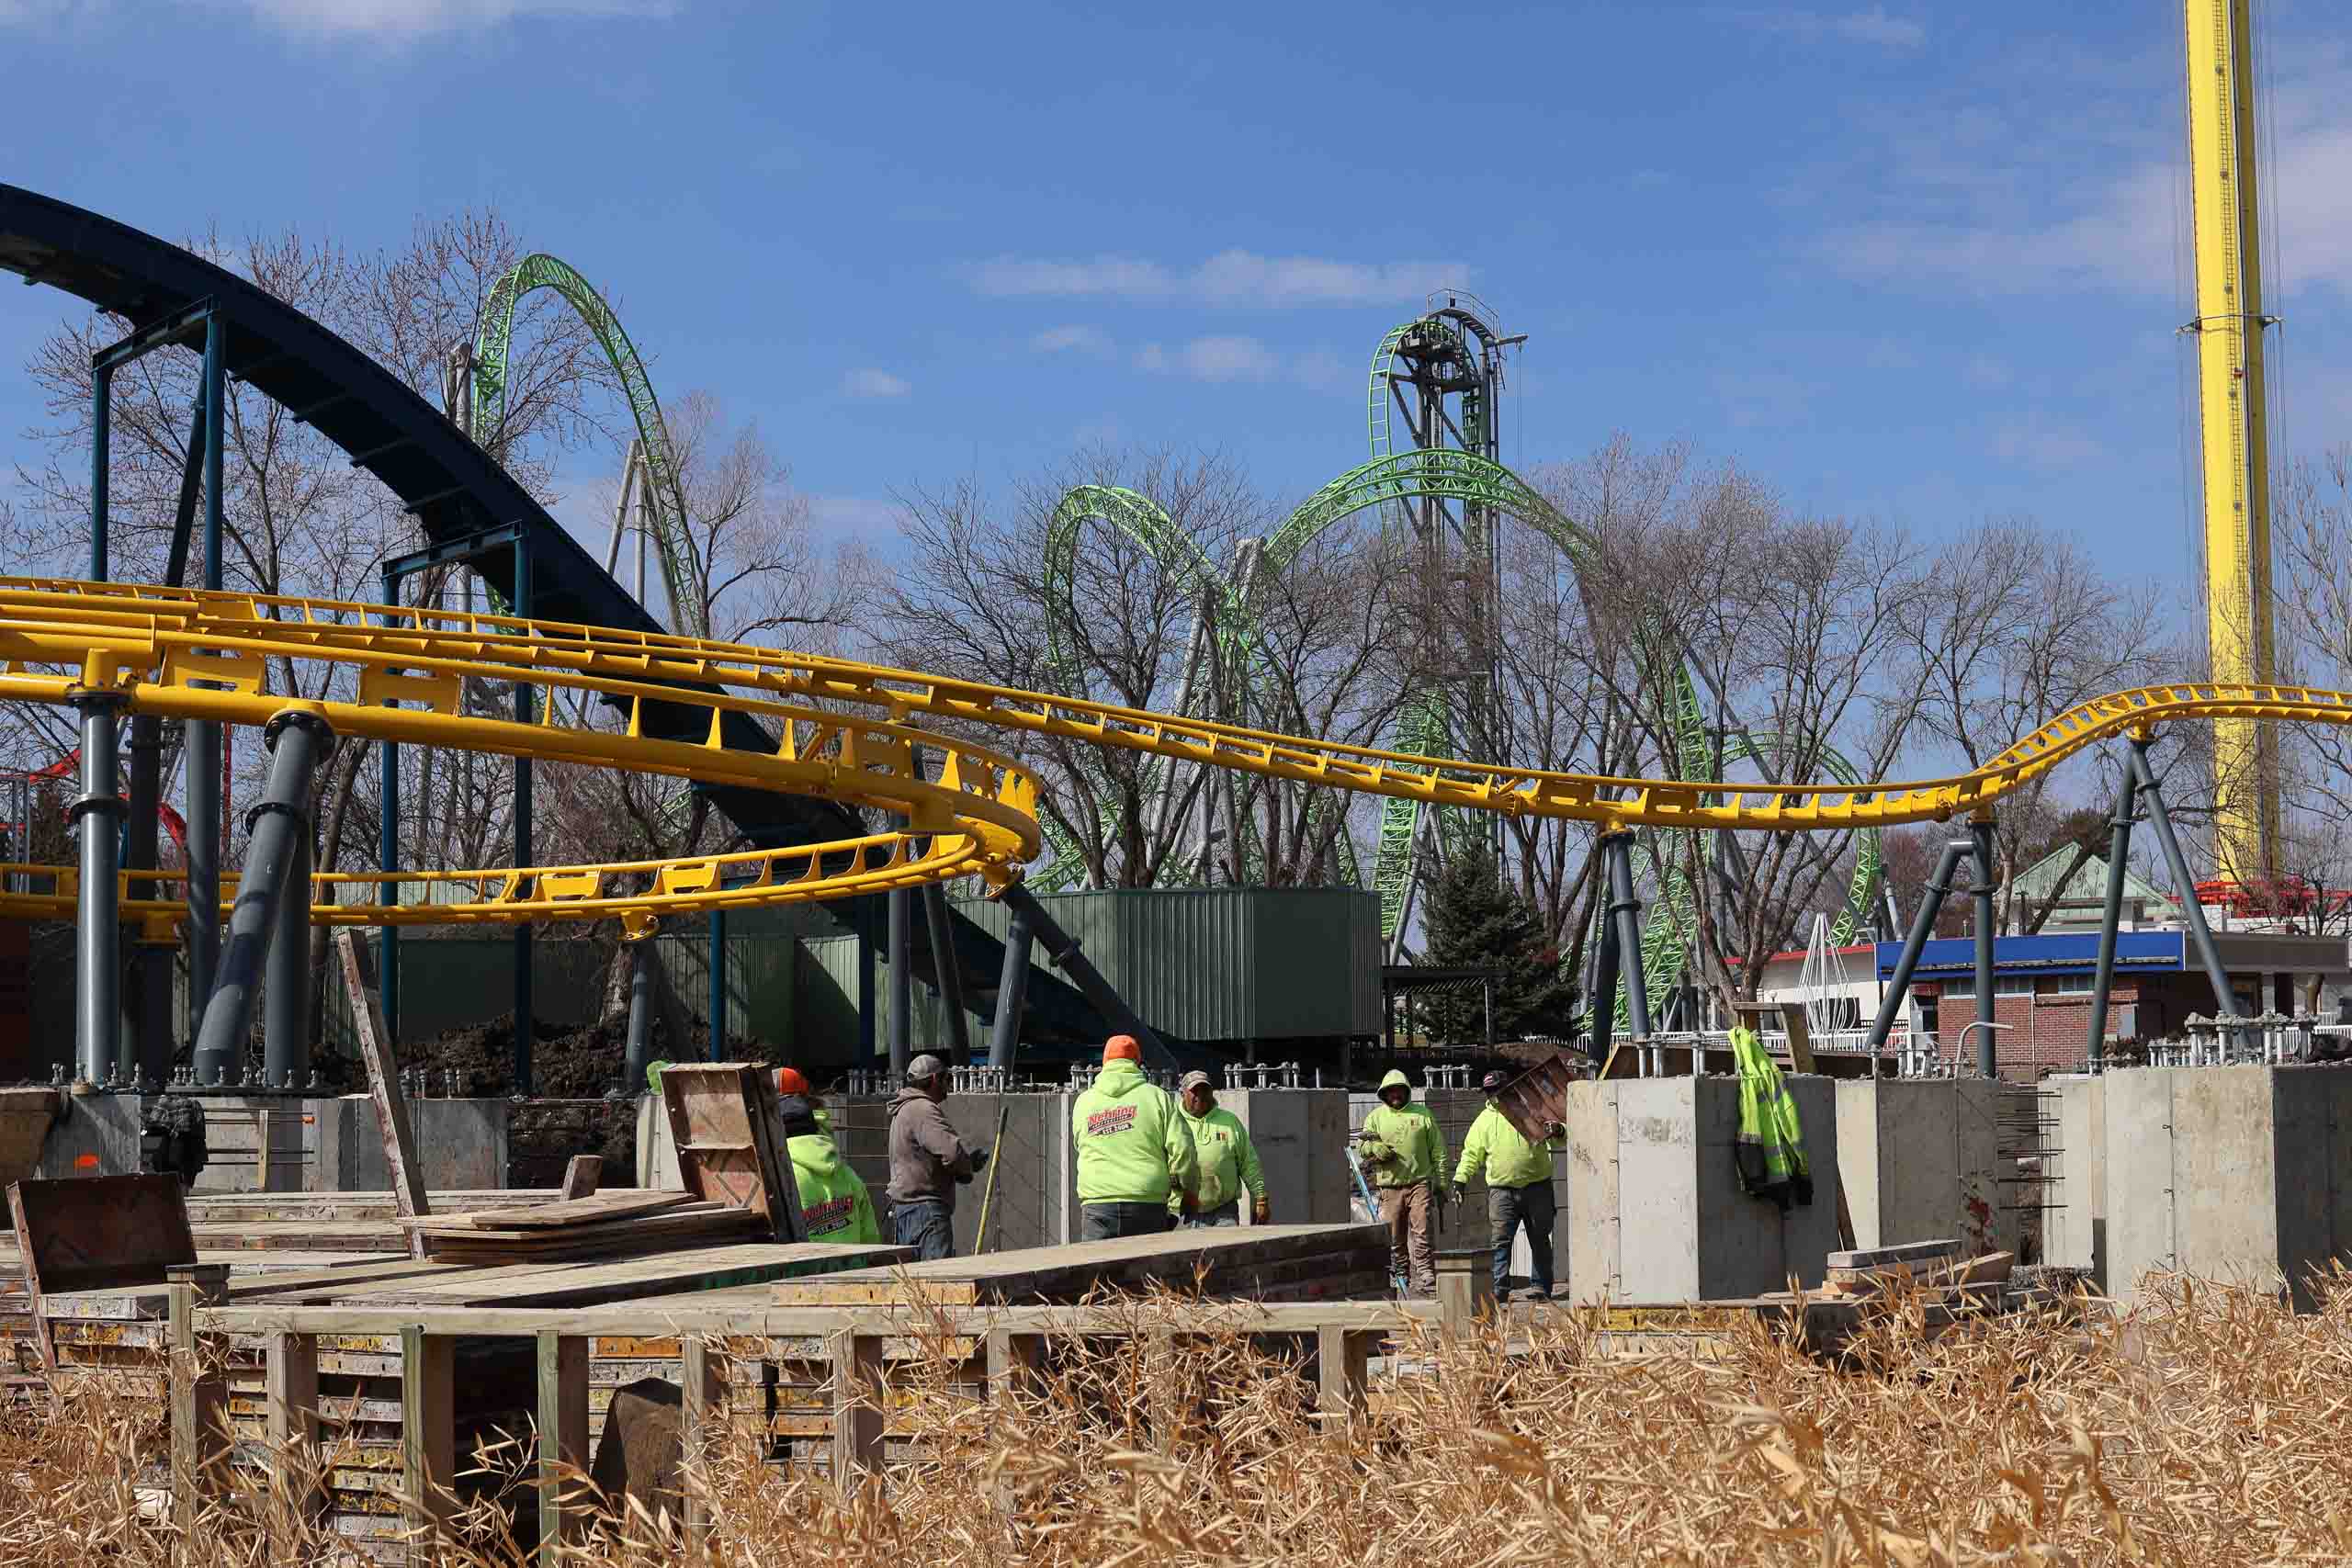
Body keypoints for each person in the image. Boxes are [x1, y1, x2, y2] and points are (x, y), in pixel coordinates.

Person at [1454, 1069, 1565, 1301]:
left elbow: (1562, 1133)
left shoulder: (1532, 1110)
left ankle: (1541, 1287)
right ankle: (1500, 1288)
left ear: (1511, 1088)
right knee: (1500, 1242)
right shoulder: (1483, 1121)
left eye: (1498, 1090)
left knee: (1540, 1238)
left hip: (1537, 1186)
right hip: (1501, 1191)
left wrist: (1559, 1129)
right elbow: (1471, 1154)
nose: (1494, 1096)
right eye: (1490, 1092)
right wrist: (1460, 1180)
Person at [1072, 1035, 1197, 1239]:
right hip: (1147, 1204)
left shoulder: (1084, 1102)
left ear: (1104, 1063)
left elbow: (1080, 1145)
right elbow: (1184, 1150)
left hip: (1098, 1205)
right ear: (1137, 1062)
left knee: (1099, 1270)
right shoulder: (1158, 1098)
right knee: (1147, 1270)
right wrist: (1190, 1192)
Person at [1355, 1069, 1450, 1295]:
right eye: (1391, 1091)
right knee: (1394, 1234)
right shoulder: (1375, 1118)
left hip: (1419, 1182)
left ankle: (1426, 1274)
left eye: (1399, 1090)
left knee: (1423, 1230)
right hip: (1389, 1186)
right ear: (1385, 1094)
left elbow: (1439, 1150)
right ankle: (1400, 1274)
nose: (1395, 1094)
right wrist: (1373, 1148)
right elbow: (1362, 1146)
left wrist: (1442, 1182)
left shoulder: (1423, 1115)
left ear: (1405, 1091)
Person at [887, 1053, 988, 1260]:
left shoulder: (905, 1110)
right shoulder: (923, 1109)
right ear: (934, 1079)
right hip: (926, 1212)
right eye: (946, 1079)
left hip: (907, 1211)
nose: (948, 1084)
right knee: (935, 1283)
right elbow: (951, 1153)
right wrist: (967, 1166)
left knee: (917, 1285)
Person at [777, 1093, 881, 1245]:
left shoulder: (783, 1177)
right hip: (855, 1266)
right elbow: (870, 1237)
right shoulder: (846, 1172)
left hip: (805, 1266)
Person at [1169, 1070, 1268, 1228]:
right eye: (1195, 1091)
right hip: (1182, 1213)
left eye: (1205, 1090)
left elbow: (1248, 1162)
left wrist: (1261, 1198)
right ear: (1183, 1093)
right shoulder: (1171, 1121)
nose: (1200, 1096)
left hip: (1224, 1212)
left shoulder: (1230, 1121)